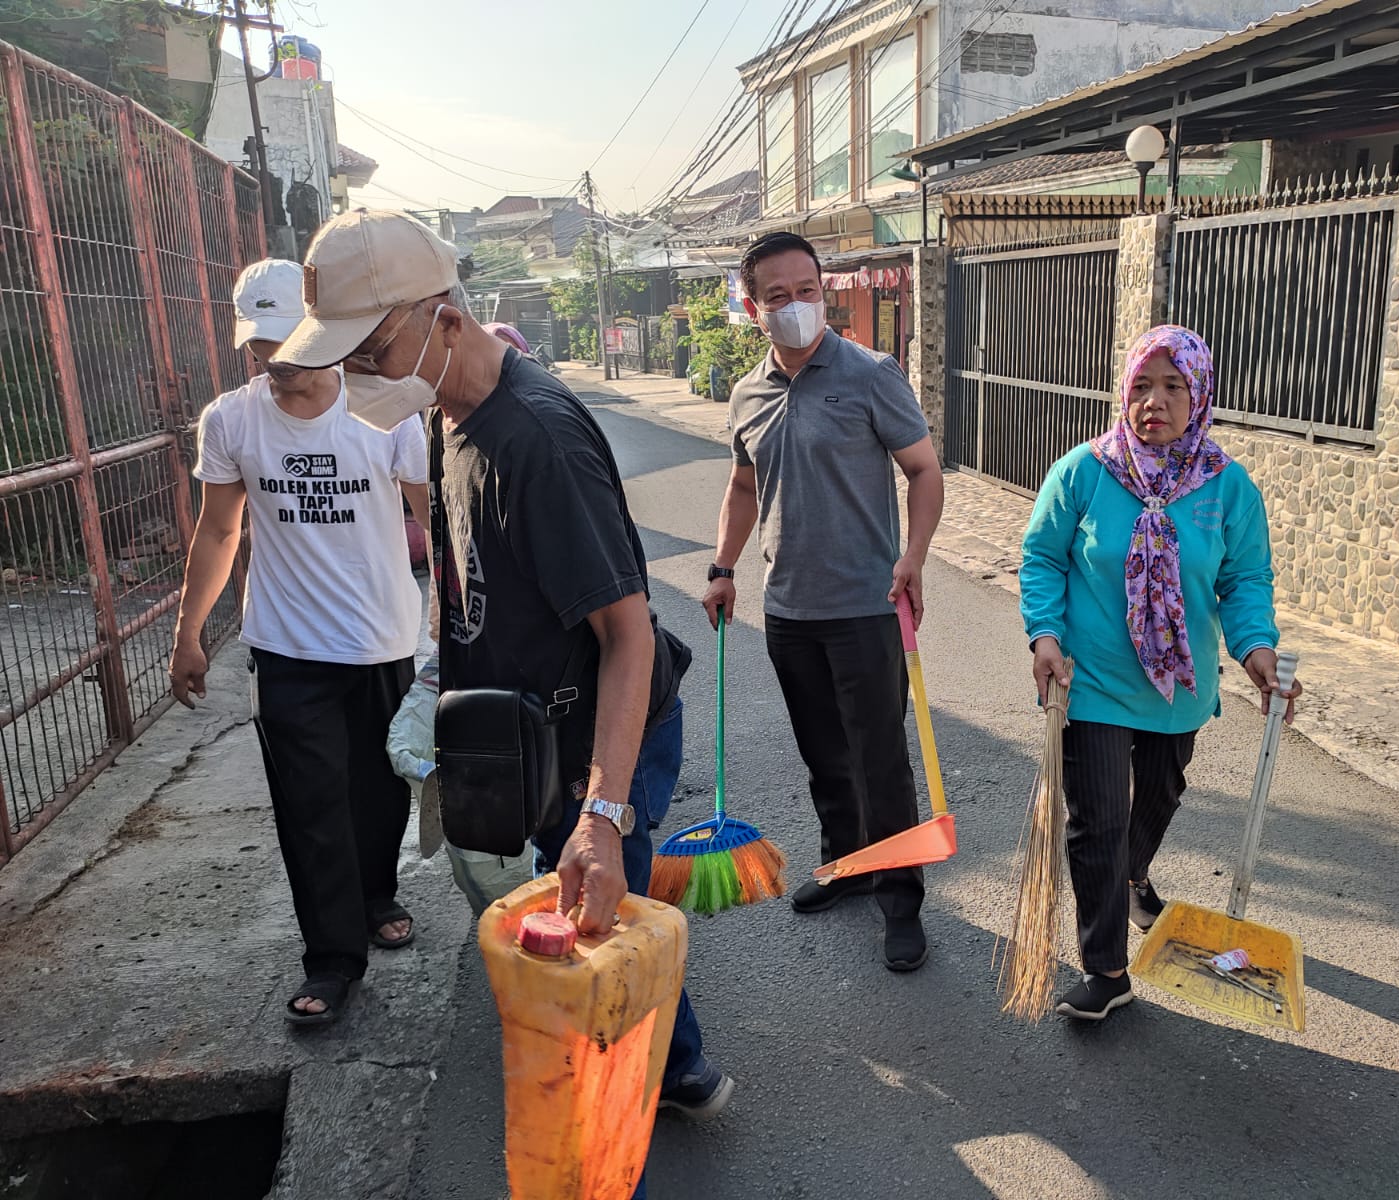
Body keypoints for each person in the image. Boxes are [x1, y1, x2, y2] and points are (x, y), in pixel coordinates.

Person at [271, 211, 731, 1145]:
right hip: (533, 734)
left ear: (441, 318)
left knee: (597, 932)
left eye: (367, 349)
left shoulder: (538, 442)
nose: (349, 376)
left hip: (605, 733)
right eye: (339, 355)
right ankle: (680, 1069)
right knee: (605, 918)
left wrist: (602, 816)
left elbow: (628, 637)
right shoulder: (448, 415)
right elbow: (467, 578)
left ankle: (621, 1121)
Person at [168, 259, 429, 1027]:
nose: (274, 365)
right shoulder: (232, 420)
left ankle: (377, 892)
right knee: (309, 805)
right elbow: (219, 531)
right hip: (286, 648)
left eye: (288, 347)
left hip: (383, 637)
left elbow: (437, 519)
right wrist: (189, 634)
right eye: (258, 350)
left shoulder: (386, 413)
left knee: (379, 793)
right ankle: (333, 958)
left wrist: (457, 612)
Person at [1019, 324, 1302, 1021]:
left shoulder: (1228, 487)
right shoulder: (1085, 470)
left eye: (1173, 386)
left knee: (1159, 797)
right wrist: (1045, 635)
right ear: (1124, 390)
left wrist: (1257, 650)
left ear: (1199, 394)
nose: (1155, 401)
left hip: (1179, 689)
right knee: (1098, 822)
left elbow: (1244, 580)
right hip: (1092, 683)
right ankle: (1107, 969)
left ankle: (1134, 876)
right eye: (1143, 384)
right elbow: (1042, 557)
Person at [701, 232, 945, 972]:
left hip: (868, 608)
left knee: (879, 761)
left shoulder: (871, 374)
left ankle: (900, 901)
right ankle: (846, 865)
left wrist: (914, 557)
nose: (797, 306)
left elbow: (925, 472)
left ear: (824, 290)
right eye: (778, 296)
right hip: (790, 612)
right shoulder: (747, 393)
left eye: (807, 290)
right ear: (753, 308)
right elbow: (744, 487)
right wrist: (721, 567)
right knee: (823, 756)